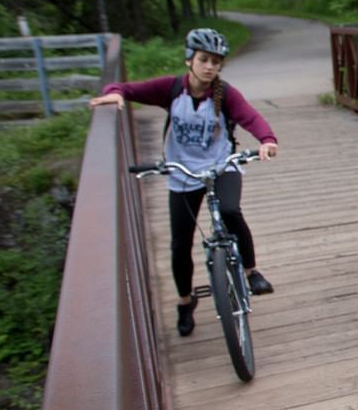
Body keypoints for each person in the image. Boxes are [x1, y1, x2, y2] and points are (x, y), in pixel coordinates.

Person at [89, 27, 281, 337]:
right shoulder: (171, 89)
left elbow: (249, 116)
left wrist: (267, 139)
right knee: (180, 243)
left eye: (216, 62)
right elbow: (128, 88)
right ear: (189, 60)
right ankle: (184, 301)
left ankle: (250, 271)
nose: (210, 67)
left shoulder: (225, 93)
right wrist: (115, 93)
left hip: (221, 166)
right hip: (182, 171)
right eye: (204, 60)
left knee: (231, 212)